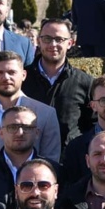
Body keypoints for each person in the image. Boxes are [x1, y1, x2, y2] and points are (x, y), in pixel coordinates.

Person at [23, 18, 94, 148]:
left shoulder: (85, 82)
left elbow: (92, 125)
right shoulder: (22, 79)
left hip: (69, 157)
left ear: (70, 43)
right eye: (47, 39)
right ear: (38, 41)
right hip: (29, 155)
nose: (53, 44)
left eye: (59, 39)